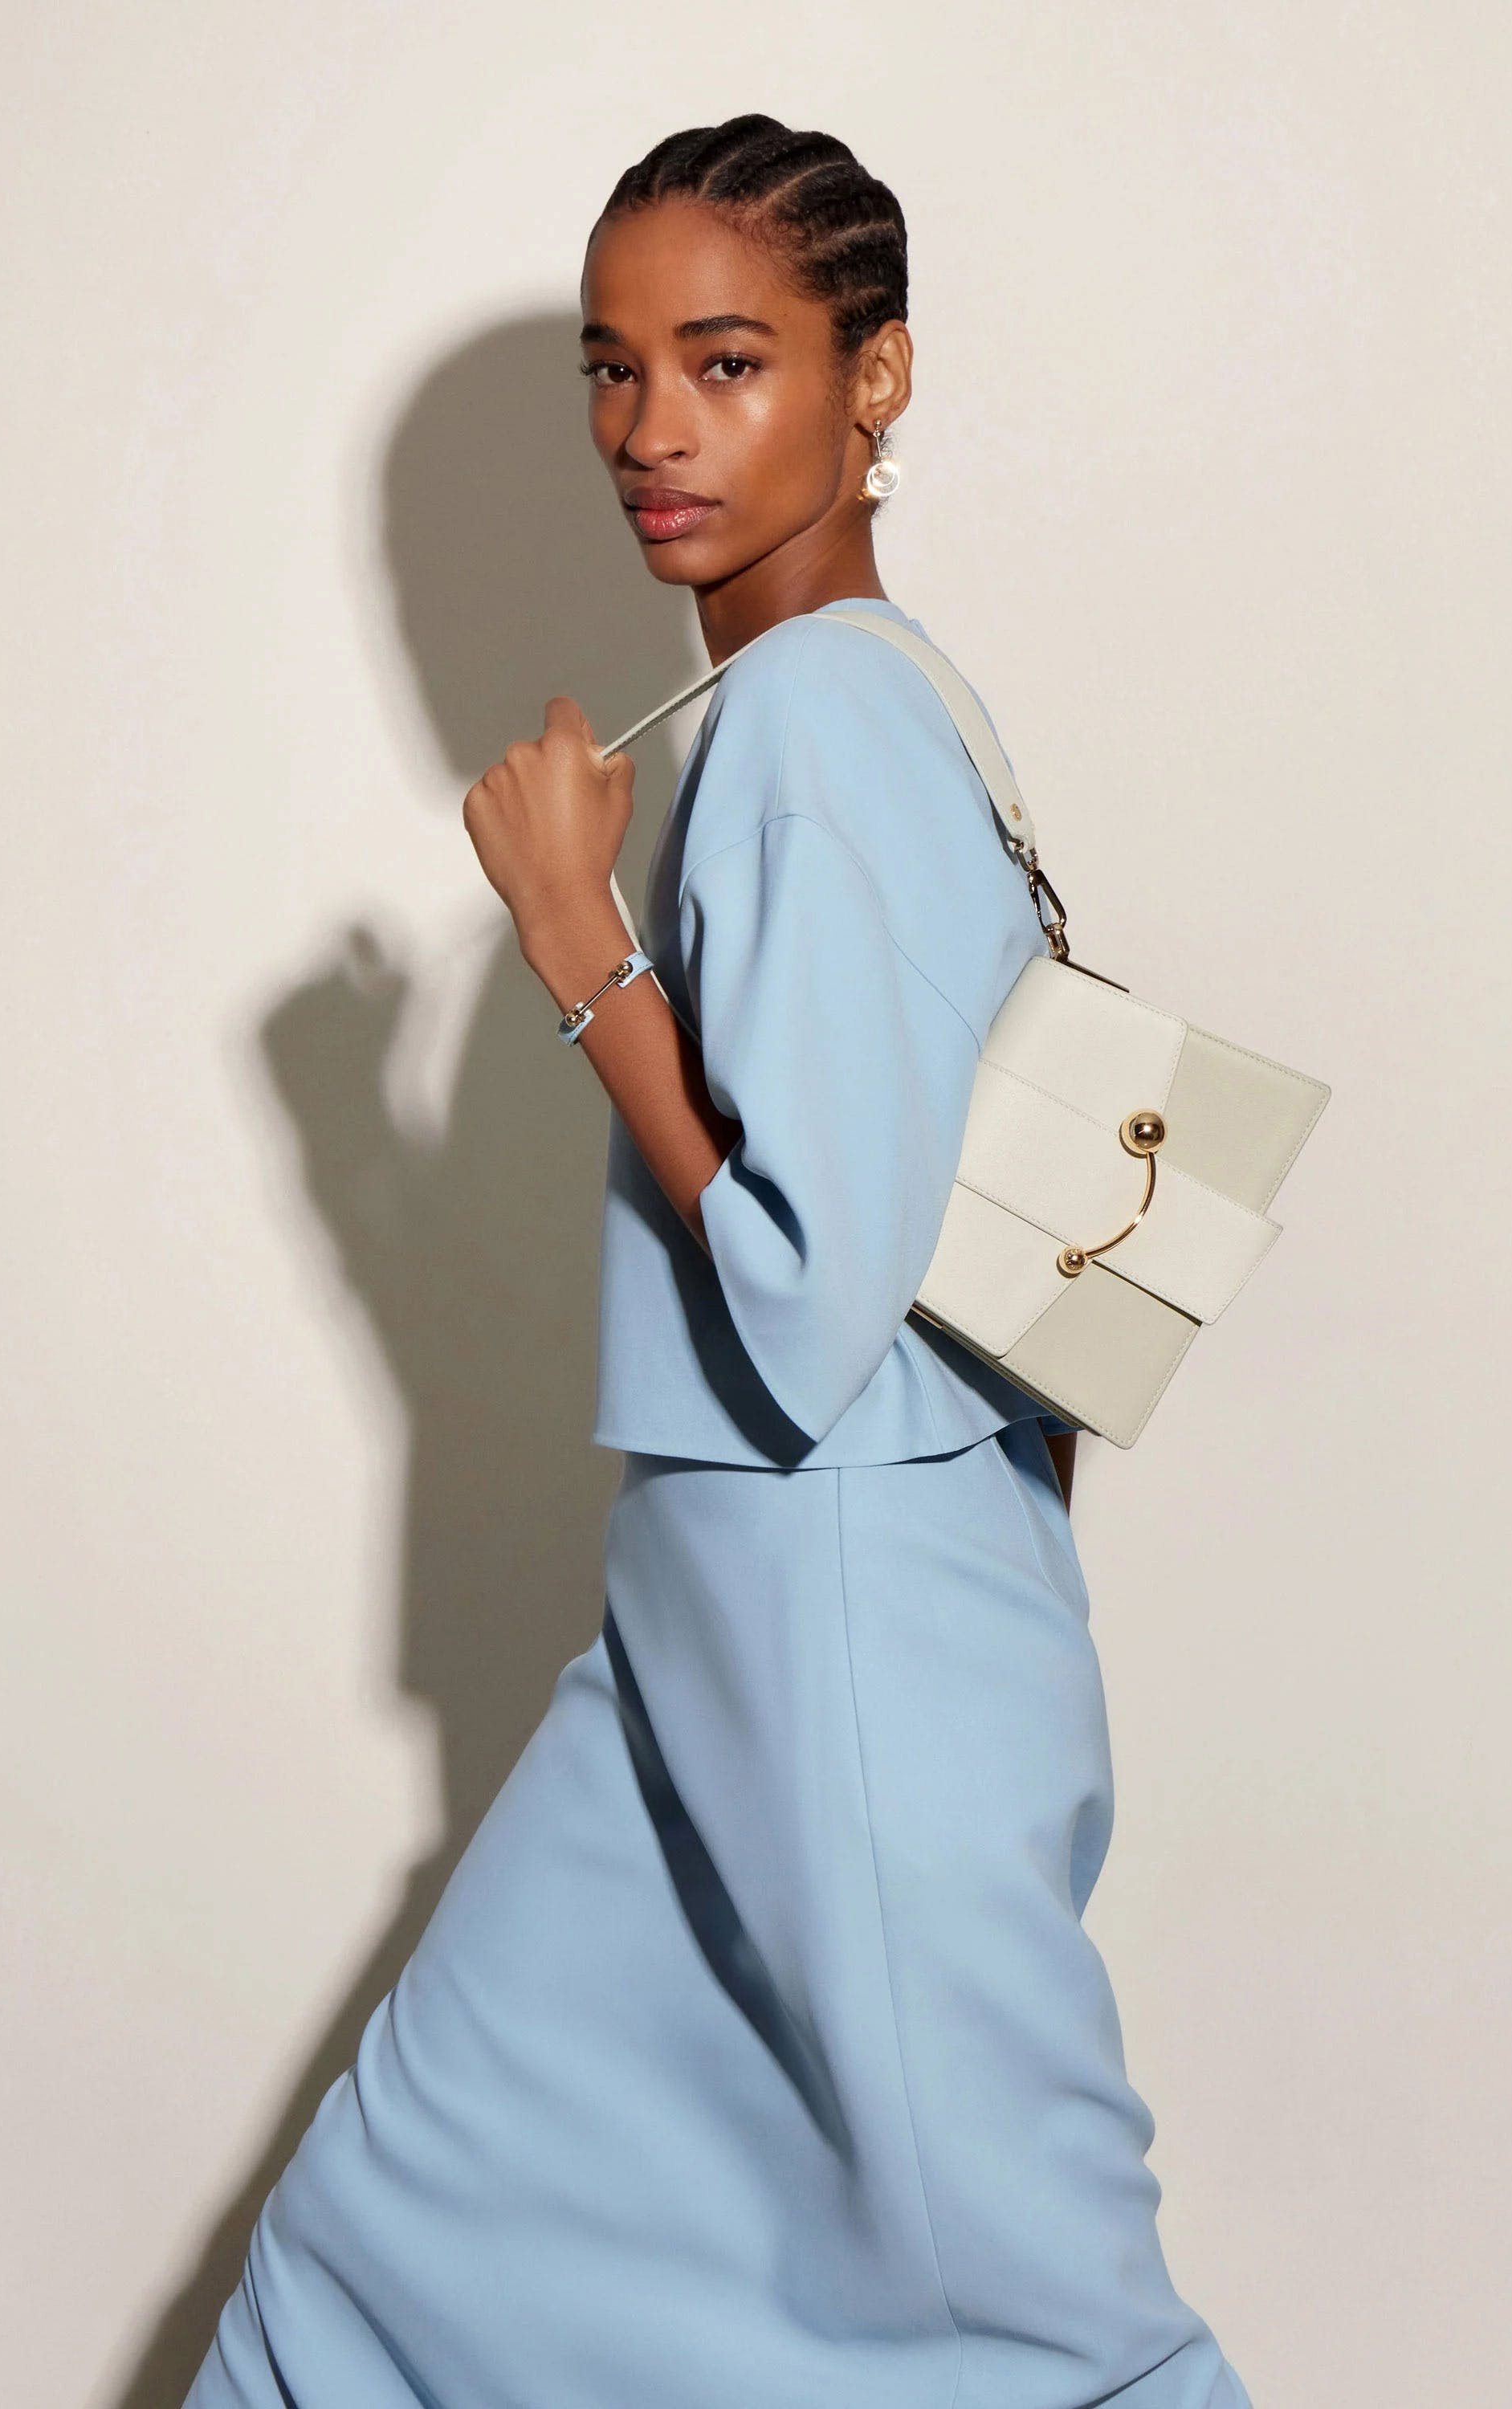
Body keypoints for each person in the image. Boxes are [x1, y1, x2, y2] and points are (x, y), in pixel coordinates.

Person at [184, 112, 1251, 2409]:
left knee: (1040, 2319)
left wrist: (574, 939)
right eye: (613, 366)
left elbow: (794, 1288)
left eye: (730, 359)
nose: (650, 430)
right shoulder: (832, 710)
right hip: (725, 1615)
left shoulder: (815, 724)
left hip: (830, 1615)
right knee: (399, 2223)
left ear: (876, 383)